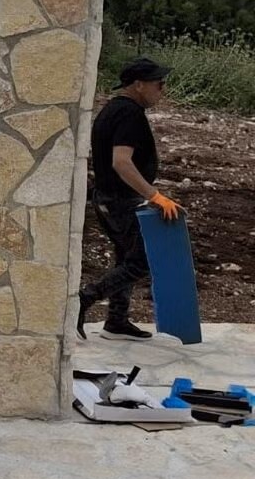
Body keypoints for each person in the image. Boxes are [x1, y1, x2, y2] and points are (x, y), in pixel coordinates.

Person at [77, 57, 182, 340]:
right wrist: (155, 196)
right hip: (120, 200)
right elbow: (121, 162)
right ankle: (85, 299)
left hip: (107, 198)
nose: (163, 89)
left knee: (126, 256)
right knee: (142, 261)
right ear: (138, 84)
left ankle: (117, 320)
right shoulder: (129, 114)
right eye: (159, 84)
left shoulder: (114, 108)